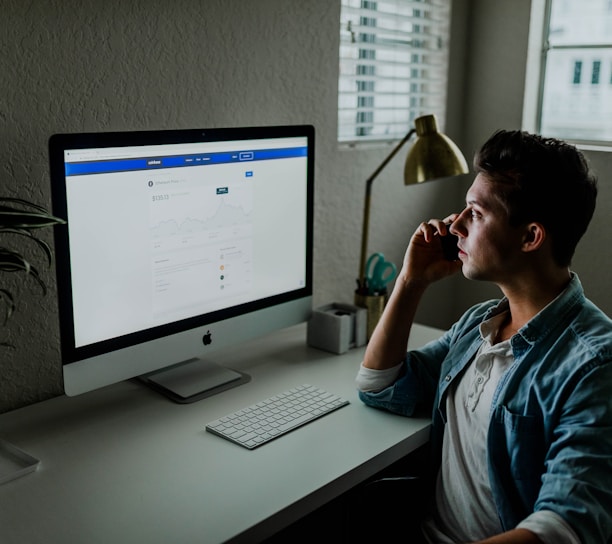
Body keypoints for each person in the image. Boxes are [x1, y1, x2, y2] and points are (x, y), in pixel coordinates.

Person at [355, 129, 612, 544]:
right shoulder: (480, 327)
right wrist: (410, 281)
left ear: (530, 236)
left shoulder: (595, 365)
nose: (454, 224)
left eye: (475, 213)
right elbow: (380, 386)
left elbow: (565, 528)